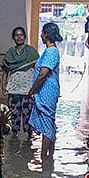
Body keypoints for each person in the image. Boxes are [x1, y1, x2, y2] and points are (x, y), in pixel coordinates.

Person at [28, 21, 63, 159]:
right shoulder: (50, 51)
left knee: (47, 123)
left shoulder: (51, 51)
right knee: (48, 122)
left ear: (46, 34)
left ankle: (45, 158)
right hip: (45, 90)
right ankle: (49, 157)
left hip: (47, 91)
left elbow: (43, 74)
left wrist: (32, 90)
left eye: (42, 33)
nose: (41, 36)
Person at [0, 26, 39, 141]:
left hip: (28, 90)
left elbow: (38, 70)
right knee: (14, 115)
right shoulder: (10, 53)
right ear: (13, 38)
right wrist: (3, 85)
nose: (19, 37)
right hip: (14, 89)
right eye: (16, 35)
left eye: (21, 35)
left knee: (28, 115)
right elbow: (5, 71)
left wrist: (36, 88)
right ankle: (14, 138)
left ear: (25, 37)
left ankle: (29, 140)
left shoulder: (31, 52)